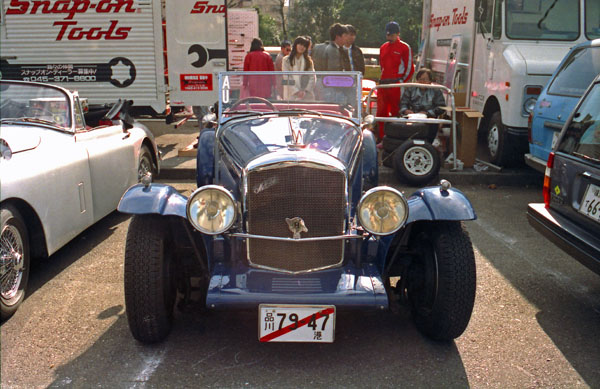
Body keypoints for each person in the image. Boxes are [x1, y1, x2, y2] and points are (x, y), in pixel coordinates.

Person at [376, 21, 415, 140]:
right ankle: (382, 137)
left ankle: (397, 137)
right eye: (388, 35)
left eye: (392, 35)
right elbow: (382, 66)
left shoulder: (404, 47)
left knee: (397, 111)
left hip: (396, 84)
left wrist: (401, 81)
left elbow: (410, 68)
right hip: (384, 84)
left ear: (398, 34)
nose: (389, 37)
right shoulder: (383, 47)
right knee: (381, 112)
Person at [396, 67, 446, 142]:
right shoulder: (410, 89)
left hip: (429, 120)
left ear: (430, 81)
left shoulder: (436, 90)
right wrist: (406, 110)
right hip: (412, 118)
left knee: (431, 128)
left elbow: (441, 107)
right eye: (420, 79)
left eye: (425, 79)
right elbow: (403, 103)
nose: (422, 82)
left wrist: (428, 113)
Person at [282, 36, 316, 100]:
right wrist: (296, 91)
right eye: (300, 44)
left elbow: (312, 77)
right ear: (295, 45)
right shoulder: (286, 60)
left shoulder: (308, 61)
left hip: (306, 95)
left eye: (304, 46)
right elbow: (286, 77)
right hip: (291, 95)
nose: (302, 47)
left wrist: (305, 91)